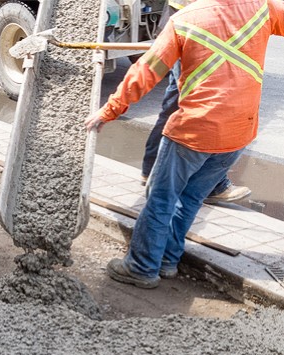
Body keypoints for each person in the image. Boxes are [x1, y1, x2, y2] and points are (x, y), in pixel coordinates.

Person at [85, 0, 284, 289]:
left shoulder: (184, 20)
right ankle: (167, 260)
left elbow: (145, 72)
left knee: (161, 199)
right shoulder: (261, 8)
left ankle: (142, 267)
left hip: (193, 133)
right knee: (190, 199)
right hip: (238, 134)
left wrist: (110, 110)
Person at [141, 0, 252, 204]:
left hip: (190, 20)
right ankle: (213, 185)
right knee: (199, 103)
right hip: (194, 23)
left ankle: (152, 170)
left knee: (176, 101)